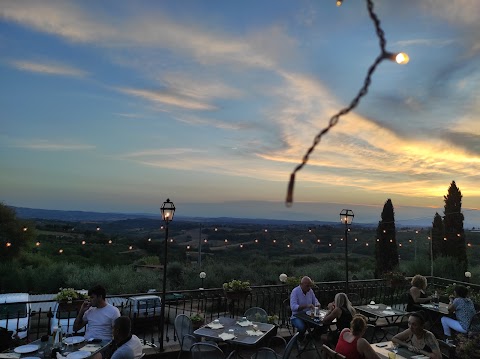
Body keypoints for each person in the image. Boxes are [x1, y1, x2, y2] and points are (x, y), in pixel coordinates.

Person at [290, 276, 320, 343]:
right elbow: (293, 307)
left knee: (319, 324)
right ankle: (299, 340)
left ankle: (309, 338)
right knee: (301, 327)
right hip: (296, 316)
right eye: (307, 286)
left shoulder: (310, 291)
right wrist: (306, 305)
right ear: (301, 284)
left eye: (310, 286)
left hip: (308, 315)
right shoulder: (295, 292)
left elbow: (314, 300)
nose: (309, 288)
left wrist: (317, 304)